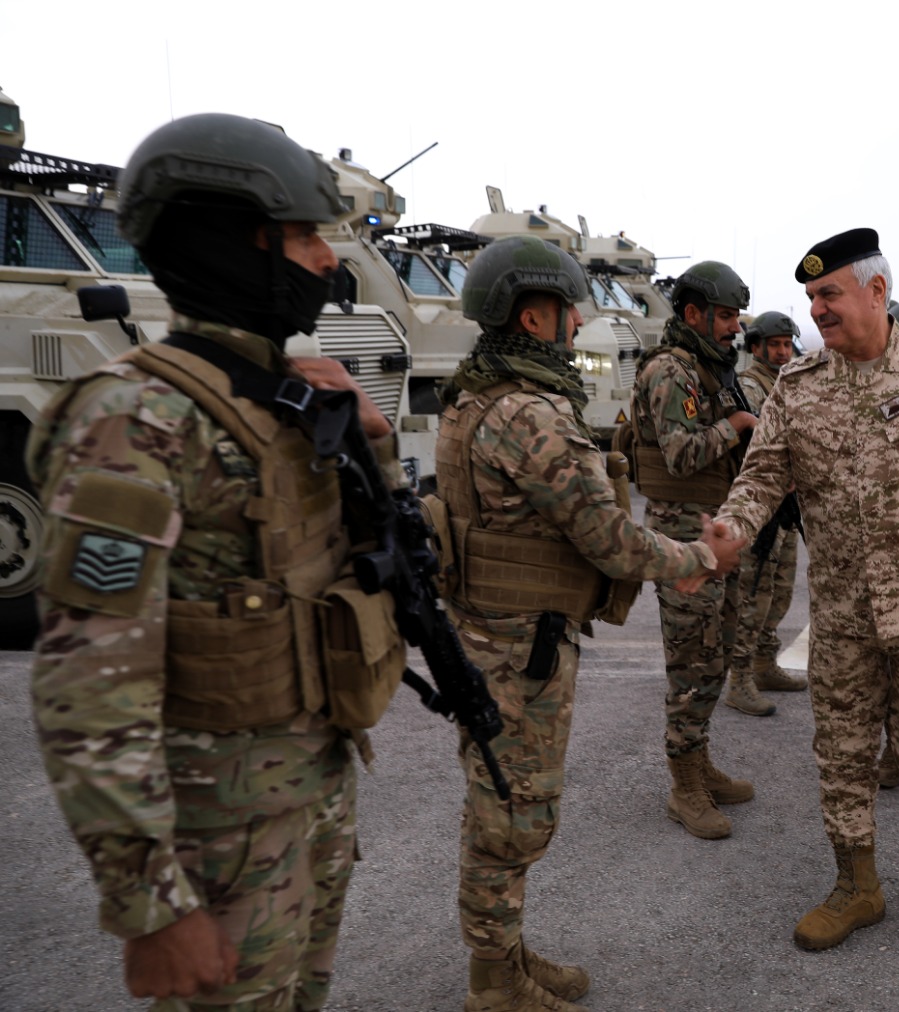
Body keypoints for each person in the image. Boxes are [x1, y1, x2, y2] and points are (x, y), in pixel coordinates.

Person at [27, 113, 408, 1009]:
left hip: (307, 795)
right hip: (218, 841)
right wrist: (151, 906)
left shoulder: (285, 397)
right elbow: (88, 684)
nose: (327, 261)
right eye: (305, 235)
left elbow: (376, 553)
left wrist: (374, 443)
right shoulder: (135, 420)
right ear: (230, 242)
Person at [436, 235, 744, 1010]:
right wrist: (698, 559)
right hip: (519, 648)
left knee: (503, 804)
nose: (577, 323)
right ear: (532, 316)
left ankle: (502, 955)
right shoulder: (529, 414)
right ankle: (494, 982)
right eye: (568, 310)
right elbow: (608, 538)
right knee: (513, 813)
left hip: (491, 634)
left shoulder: (475, 394)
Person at [716, 228, 899, 950]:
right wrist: (728, 531)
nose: (816, 309)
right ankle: (857, 885)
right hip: (844, 616)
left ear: (876, 291)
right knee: (843, 758)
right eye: (810, 298)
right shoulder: (799, 386)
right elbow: (762, 478)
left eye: (829, 293)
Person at [629, 260, 760, 840]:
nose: (735, 327)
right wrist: (736, 425)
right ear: (692, 314)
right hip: (681, 538)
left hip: (711, 532)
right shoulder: (670, 370)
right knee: (691, 662)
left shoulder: (708, 367)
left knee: (717, 653)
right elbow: (680, 454)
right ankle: (684, 785)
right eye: (726, 316)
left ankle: (699, 762)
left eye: (736, 316)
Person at [729, 310, 807, 712]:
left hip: (787, 506)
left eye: (786, 344)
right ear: (756, 347)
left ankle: (764, 663)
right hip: (763, 508)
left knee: (779, 591)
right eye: (774, 344)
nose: (782, 351)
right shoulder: (750, 386)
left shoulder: (788, 383)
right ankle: (739, 678)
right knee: (754, 593)